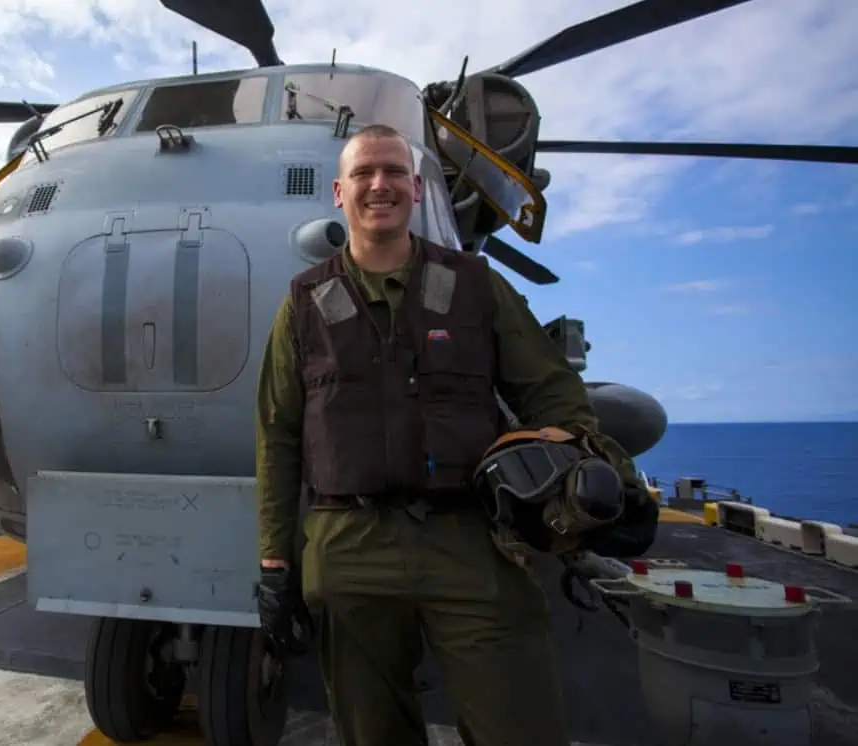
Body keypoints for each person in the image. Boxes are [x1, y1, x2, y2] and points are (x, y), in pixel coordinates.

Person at [253, 123, 650, 746]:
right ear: (338, 192)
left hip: (472, 544)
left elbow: (549, 391)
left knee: (520, 728)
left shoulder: (474, 285)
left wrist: (601, 480)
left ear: (415, 187)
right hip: (348, 549)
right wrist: (275, 561)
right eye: (363, 173)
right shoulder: (303, 303)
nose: (378, 184)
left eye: (392, 172)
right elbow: (277, 434)